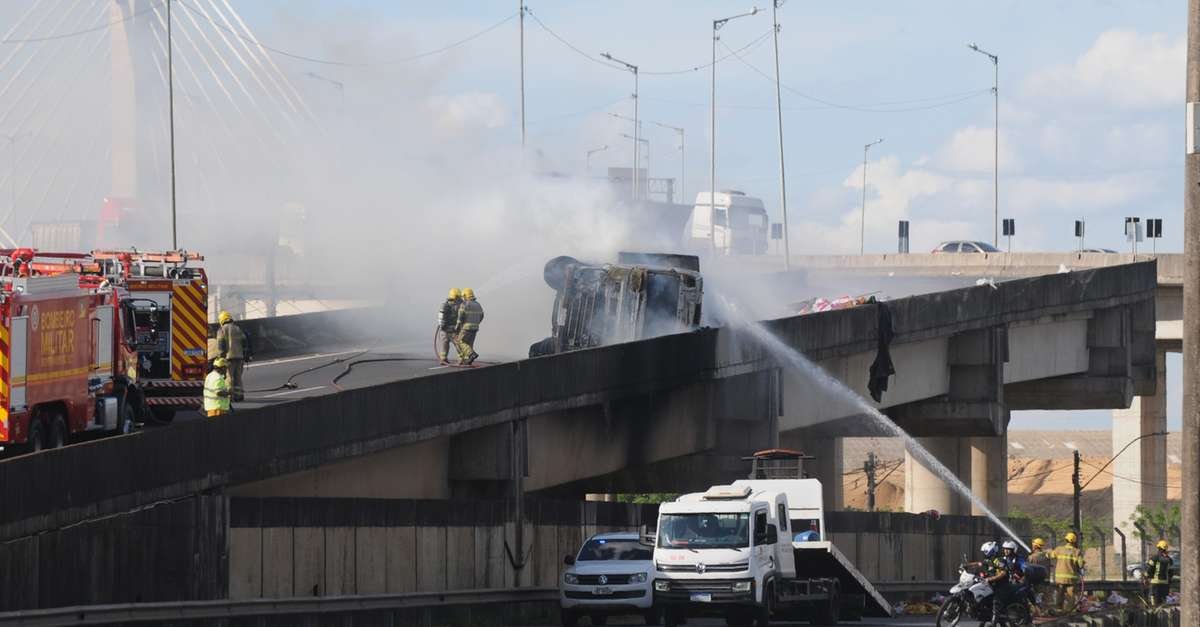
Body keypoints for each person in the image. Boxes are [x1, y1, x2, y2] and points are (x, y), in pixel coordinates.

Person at [215, 311, 247, 401]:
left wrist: (220, 357)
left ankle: (230, 397)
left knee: (229, 377)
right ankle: (239, 396)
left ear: (221, 320)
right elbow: (244, 342)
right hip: (239, 357)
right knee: (238, 377)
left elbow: (221, 345)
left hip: (228, 358)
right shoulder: (237, 328)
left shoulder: (221, 330)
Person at [1051, 532, 1084, 612]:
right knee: (1071, 594)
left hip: (1060, 578)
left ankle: (1059, 609)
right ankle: (1069, 610)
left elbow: (1051, 555)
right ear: (1075, 541)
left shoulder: (1059, 549)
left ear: (1066, 539)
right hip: (1071, 578)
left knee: (1060, 593)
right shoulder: (1077, 552)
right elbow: (1080, 565)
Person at [452, 288, 485, 365]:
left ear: (465, 295)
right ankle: (468, 360)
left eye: (463, 296)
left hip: (466, 328)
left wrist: (457, 327)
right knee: (469, 344)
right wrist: (476, 323)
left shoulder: (464, 304)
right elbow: (482, 315)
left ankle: (471, 354)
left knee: (459, 341)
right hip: (475, 328)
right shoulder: (478, 304)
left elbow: (460, 317)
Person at [1144, 540, 1173, 606]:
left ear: (1158, 548)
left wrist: (1146, 578)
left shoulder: (1154, 558)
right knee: (1162, 602)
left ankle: (1154, 614)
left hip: (1155, 583)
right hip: (1165, 584)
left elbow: (1149, 569)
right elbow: (1171, 573)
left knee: (1154, 602)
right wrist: (1169, 583)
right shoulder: (1169, 560)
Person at [438, 288, 463, 363]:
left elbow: (440, 317)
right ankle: (461, 359)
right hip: (454, 330)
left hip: (445, 330)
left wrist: (442, 326)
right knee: (458, 345)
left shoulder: (444, 305)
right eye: (459, 296)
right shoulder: (461, 305)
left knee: (444, 344)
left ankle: (443, 359)